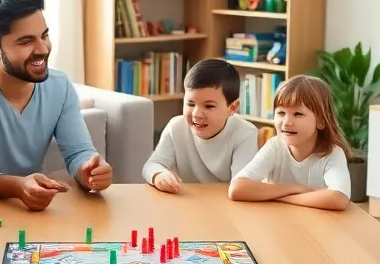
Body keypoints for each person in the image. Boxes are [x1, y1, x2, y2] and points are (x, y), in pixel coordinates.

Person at [0, 0, 112, 210]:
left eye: (44, 35)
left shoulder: (59, 85)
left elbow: (78, 152)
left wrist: (89, 170)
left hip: (32, 210)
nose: (43, 49)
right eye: (26, 41)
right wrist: (17, 186)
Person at [228, 75, 351, 211]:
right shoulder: (274, 147)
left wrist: (282, 198)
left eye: (298, 114)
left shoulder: (332, 153)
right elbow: (236, 188)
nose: (286, 122)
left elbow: (339, 198)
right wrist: (294, 189)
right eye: (281, 113)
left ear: (321, 121)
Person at [143, 59, 258, 192]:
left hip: (227, 204)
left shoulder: (245, 133)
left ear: (232, 107)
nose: (196, 114)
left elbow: (241, 186)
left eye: (209, 106)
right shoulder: (176, 127)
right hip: (189, 203)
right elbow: (152, 164)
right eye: (190, 104)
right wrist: (159, 175)